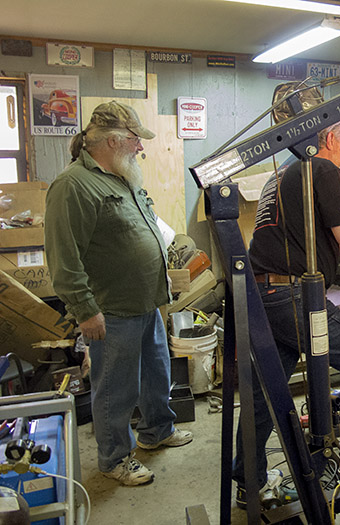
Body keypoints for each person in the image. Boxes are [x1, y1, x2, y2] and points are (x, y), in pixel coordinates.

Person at [233, 120, 340, 507]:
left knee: (265, 391)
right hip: (291, 294)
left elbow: (338, 231)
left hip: (262, 293)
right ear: (330, 138)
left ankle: (250, 481)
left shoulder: (285, 173)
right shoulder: (322, 167)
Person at [45, 101, 193, 486]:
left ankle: (156, 431)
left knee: (157, 375)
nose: (139, 148)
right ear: (113, 140)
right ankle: (114, 458)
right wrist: (85, 310)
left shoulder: (121, 177)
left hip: (145, 302)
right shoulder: (73, 185)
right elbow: (64, 257)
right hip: (110, 310)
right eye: (134, 141)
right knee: (116, 388)